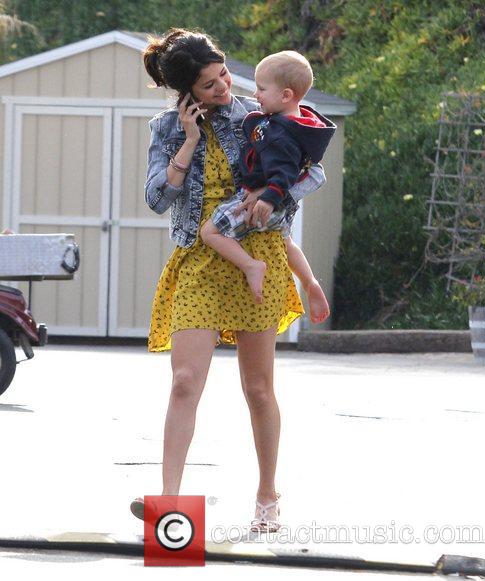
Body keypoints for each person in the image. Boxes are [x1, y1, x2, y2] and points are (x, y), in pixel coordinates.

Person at [130, 28, 330, 532]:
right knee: (183, 382)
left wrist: (269, 199)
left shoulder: (256, 115)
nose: (224, 89)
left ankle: (267, 495)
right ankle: (167, 502)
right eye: (210, 84)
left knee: (258, 389)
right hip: (200, 259)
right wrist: (189, 143)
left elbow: (313, 173)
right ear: (188, 92)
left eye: (223, 76)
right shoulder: (166, 128)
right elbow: (158, 199)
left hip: (258, 251)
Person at [200, 51, 335, 320]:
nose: (256, 94)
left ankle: (251, 266)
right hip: (279, 205)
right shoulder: (297, 124)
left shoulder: (278, 134)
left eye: (261, 89)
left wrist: (267, 197)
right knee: (285, 240)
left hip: (261, 201)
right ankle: (309, 281)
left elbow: (283, 171)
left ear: (285, 95)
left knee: (210, 232)